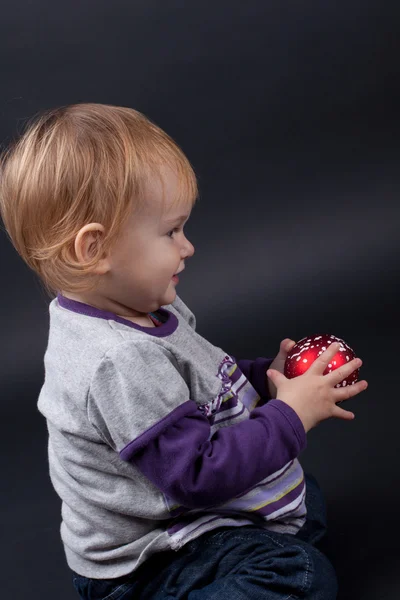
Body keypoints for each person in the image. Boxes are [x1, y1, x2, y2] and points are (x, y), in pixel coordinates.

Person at [0, 103, 368, 600]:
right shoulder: (118, 360)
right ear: (94, 251)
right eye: (171, 231)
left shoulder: (143, 305)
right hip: (151, 559)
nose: (188, 246)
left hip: (188, 515)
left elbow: (202, 384)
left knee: (306, 500)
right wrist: (289, 416)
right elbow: (198, 475)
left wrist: (267, 379)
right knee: (301, 577)